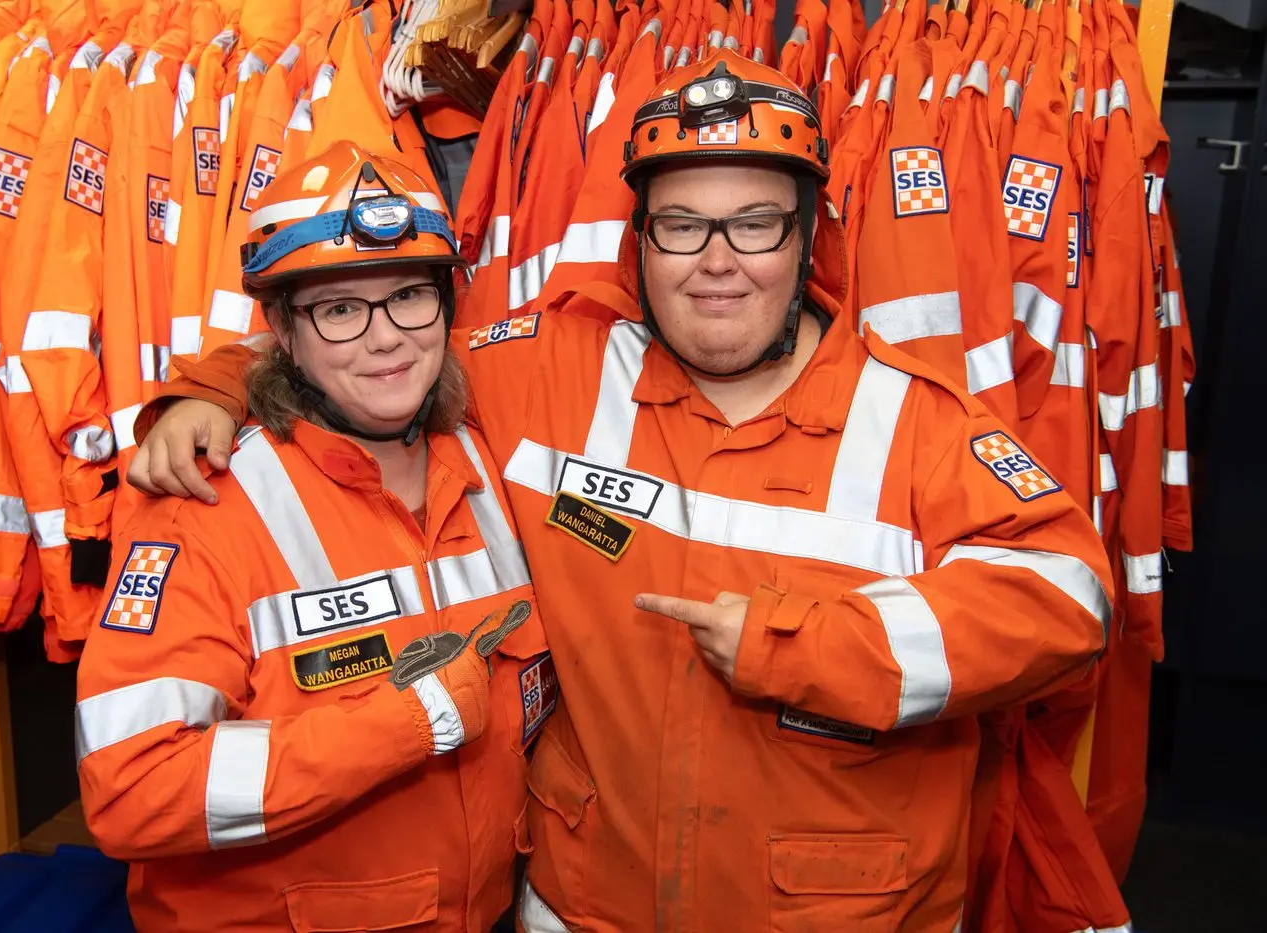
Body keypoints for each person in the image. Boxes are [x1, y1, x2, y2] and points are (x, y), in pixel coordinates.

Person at [131, 52, 1112, 932]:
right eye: (681, 226)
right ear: (638, 241)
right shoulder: (553, 368)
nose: (717, 261)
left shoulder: (914, 418)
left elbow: (1067, 599)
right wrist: (215, 390)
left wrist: (805, 645)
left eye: (754, 224)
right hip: (586, 904)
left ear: (807, 238)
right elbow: (379, 345)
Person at [74, 142, 552, 932]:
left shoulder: (485, 452)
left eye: (408, 295)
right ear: (283, 331)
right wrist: (404, 723)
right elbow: (129, 789)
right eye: (338, 309)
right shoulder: (203, 501)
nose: (385, 337)